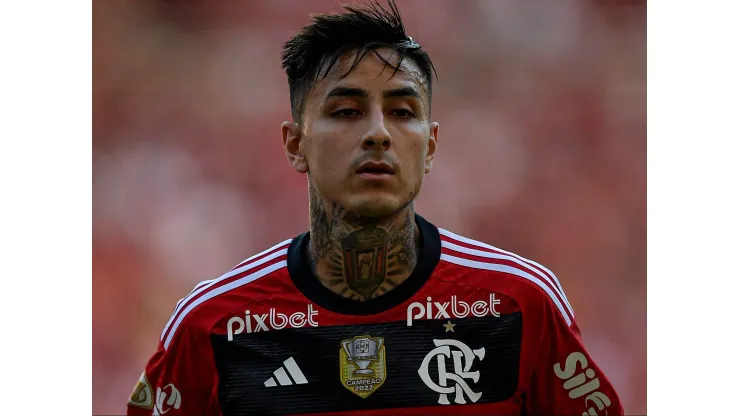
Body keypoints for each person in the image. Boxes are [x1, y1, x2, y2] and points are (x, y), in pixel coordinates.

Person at [126, 1, 624, 415]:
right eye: (346, 111)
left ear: (429, 147)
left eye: (402, 112)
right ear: (295, 144)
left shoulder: (521, 304)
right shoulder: (211, 325)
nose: (378, 133)